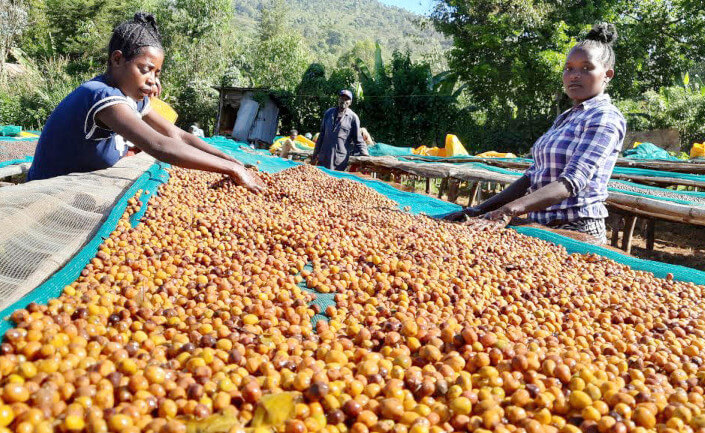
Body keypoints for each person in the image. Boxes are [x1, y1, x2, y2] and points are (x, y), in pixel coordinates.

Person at [27, 13, 264, 193]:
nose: (152, 80)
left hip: (78, 188)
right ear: (118, 59)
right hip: (48, 194)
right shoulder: (100, 96)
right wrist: (231, 170)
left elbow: (177, 135)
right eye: (146, 69)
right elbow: (159, 145)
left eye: (157, 73)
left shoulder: (131, 98)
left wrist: (228, 160)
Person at [444, 23, 625, 244]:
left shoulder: (605, 118)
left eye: (586, 68)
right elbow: (532, 176)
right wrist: (478, 209)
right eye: (569, 68)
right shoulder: (567, 117)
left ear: (607, 75)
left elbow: (571, 182)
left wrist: (508, 212)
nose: (574, 76)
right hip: (539, 224)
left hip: (577, 229)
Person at [311, 89, 369, 170]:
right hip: (324, 157)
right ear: (338, 99)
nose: (344, 101)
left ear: (350, 102)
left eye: (347, 99)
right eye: (342, 98)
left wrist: (366, 156)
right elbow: (322, 135)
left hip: (339, 160)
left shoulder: (353, 118)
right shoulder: (328, 113)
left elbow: (358, 139)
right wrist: (315, 154)